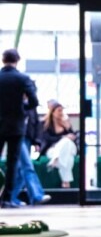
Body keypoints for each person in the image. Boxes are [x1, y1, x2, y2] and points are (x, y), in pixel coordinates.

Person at [0, 48, 38, 208]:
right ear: (17, 60)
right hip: (16, 125)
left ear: (3, 60)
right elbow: (34, 101)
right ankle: (6, 199)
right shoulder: (23, 79)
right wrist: (22, 107)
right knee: (12, 162)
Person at [38, 99, 77, 189]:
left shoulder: (65, 123)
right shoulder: (44, 124)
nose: (61, 113)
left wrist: (68, 127)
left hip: (68, 147)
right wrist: (63, 137)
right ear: (53, 112)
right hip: (52, 149)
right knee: (68, 158)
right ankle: (66, 182)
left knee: (67, 142)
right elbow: (46, 139)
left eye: (62, 110)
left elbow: (72, 137)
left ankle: (55, 160)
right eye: (59, 110)